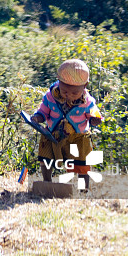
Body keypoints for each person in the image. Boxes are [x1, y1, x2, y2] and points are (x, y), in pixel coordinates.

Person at [31, 59, 103, 189]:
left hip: (78, 137)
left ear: (85, 86)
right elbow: (43, 111)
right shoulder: (50, 96)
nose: (69, 95)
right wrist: (38, 117)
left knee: (83, 163)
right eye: (64, 91)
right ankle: (47, 182)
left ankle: (84, 189)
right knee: (46, 158)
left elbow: (94, 113)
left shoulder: (87, 102)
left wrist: (94, 120)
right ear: (58, 82)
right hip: (53, 134)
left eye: (74, 93)